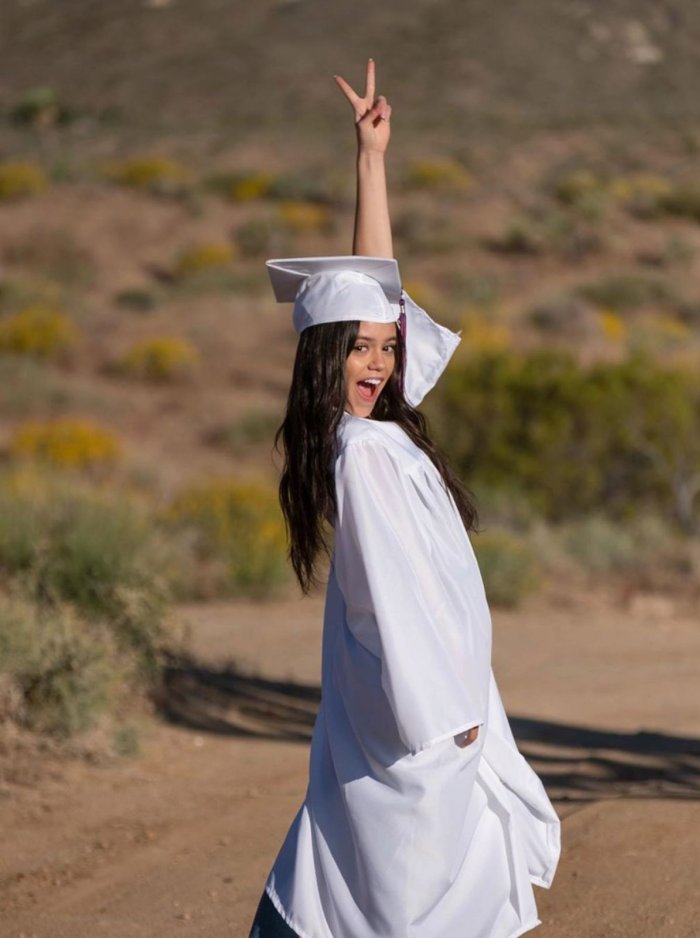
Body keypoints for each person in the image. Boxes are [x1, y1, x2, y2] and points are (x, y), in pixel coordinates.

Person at [247, 60, 560, 938]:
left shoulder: (382, 430)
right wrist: (444, 719)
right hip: (412, 718)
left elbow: (373, 287)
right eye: (360, 350)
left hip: (433, 708)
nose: (381, 363)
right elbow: (391, 598)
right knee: (377, 887)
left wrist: (372, 162)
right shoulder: (359, 456)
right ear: (323, 358)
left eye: (389, 346)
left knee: (358, 880)